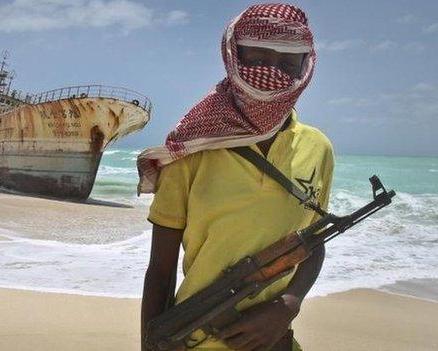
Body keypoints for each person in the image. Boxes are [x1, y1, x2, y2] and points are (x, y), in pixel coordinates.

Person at [138, 4, 334, 351]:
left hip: (276, 342)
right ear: (233, 56)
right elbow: (160, 272)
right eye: (258, 60)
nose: (272, 74)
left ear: (306, 67)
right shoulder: (190, 150)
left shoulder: (318, 148)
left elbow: (313, 242)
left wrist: (288, 305)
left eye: (288, 64)